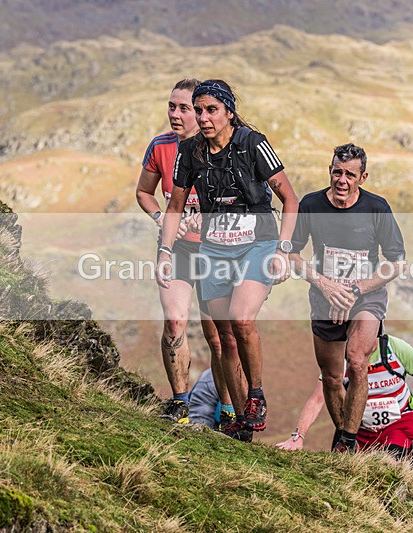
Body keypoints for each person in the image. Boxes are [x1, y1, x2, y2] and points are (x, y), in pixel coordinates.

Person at [158, 79, 299, 442]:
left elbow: (290, 199)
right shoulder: (189, 152)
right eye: (199, 110)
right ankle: (241, 423)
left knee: (241, 319)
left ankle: (256, 395)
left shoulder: (253, 143)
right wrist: (164, 251)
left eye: (212, 110)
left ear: (229, 112)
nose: (204, 118)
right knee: (224, 336)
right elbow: (174, 207)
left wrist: (283, 251)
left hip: (258, 244)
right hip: (215, 249)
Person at [288, 144, 411, 453]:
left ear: (362, 177)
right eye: (337, 172)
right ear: (330, 172)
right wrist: (324, 284)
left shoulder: (377, 208)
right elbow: (292, 254)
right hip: (323, 296)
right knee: (331, 378)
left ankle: (348, 441)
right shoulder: (312, 205)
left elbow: (397, 262)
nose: (342, 180)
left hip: (365, 296)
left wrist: (355, 289)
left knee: (356, 360)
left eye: (350, 175)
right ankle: (347, 439)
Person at [135, 78, 234, 427]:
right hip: (175, 249)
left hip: (214, 251)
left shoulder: (220, 149)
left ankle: (228, 409)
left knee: (218, 336)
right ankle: (180, 404)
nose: (176, 114)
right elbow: (144, 192)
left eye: (185, 108)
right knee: (174, 321)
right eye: (171, 106)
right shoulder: (160, 146)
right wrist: (164, 220)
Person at [276, 332, 413, 471]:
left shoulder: (395, 348)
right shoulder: (342, 358)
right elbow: (317, 399)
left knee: (385, 466)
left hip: (397, 425)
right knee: (341, 472)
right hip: (356, 430)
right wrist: (298, 437)